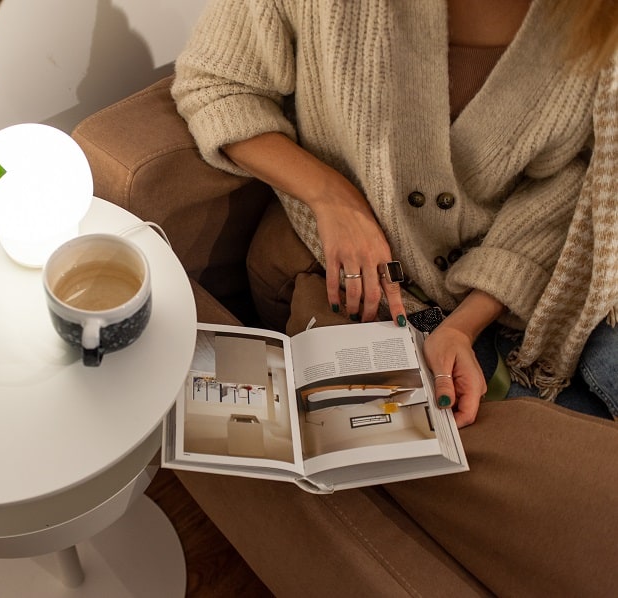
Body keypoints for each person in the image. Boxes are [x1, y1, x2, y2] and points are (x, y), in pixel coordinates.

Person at [171, 0, 618, 427]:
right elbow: (217, 86)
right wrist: (332, 196)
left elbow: (576, 180)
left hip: (562, 278)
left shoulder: (599, 20)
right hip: (390, 296)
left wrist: (465, 324)